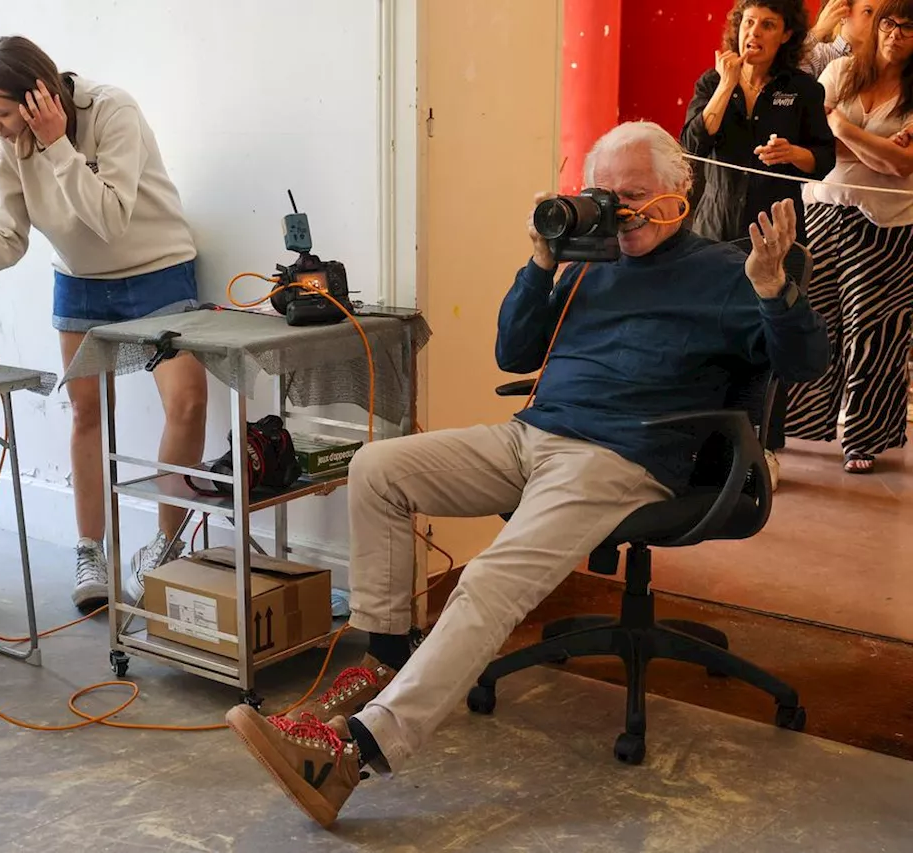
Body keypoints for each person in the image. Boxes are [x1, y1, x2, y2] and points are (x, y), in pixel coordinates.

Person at [223, 121, 830, 828]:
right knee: (378, 467)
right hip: (530, 435)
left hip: (623, 457)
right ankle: (387, 659)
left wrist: (774, 291)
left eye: (633, 195)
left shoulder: (728, 273)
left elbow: (804, 367)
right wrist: (543, 261)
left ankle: (353, 757)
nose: (617, 211)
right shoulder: (586, 261)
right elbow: (514, 351)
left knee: (487, 577)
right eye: (602, 195)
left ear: (679, 193)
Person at [0, 36, 207, 612]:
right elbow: (9, 236)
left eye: (2, 112)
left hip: (158, 271)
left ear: (39, 97)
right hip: (81, 281)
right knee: (86, 413)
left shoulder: (112, 111)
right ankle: (91, 551)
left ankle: (166, 544)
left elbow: (109, 217)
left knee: (186, 403)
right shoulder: (9, 144)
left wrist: (58, 144)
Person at [681, 0, 834, 483]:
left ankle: (764, 445)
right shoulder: (711, 83)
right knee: (709, 332)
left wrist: (795, 154)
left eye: (768, 25)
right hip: (713, 225)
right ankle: (705, 444)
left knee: (771, 336)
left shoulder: (802, 90)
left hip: (775, 230)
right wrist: (726, 84)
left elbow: (824, 160)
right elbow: (690, 145)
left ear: (786, 35)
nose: (755, 33)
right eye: (748, 22)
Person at [785, 1, 913, 473]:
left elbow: (902, 165)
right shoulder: (839, 69)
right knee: (814, 317)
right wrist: (876, 147)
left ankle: (863, 438)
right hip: (823, 208)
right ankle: (799, 421)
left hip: (887, 223)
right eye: (890, 23)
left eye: (909, 27)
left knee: (873, 329)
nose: (896, 34)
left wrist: (841, 123)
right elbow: (814, 140)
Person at [801, 0, 878, 77]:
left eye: (879, 15)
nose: (876, 21)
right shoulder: (820, 55)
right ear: (843, 13)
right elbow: (792, 70)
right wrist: (818, 30)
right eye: (868, 12)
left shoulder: (881, 60)